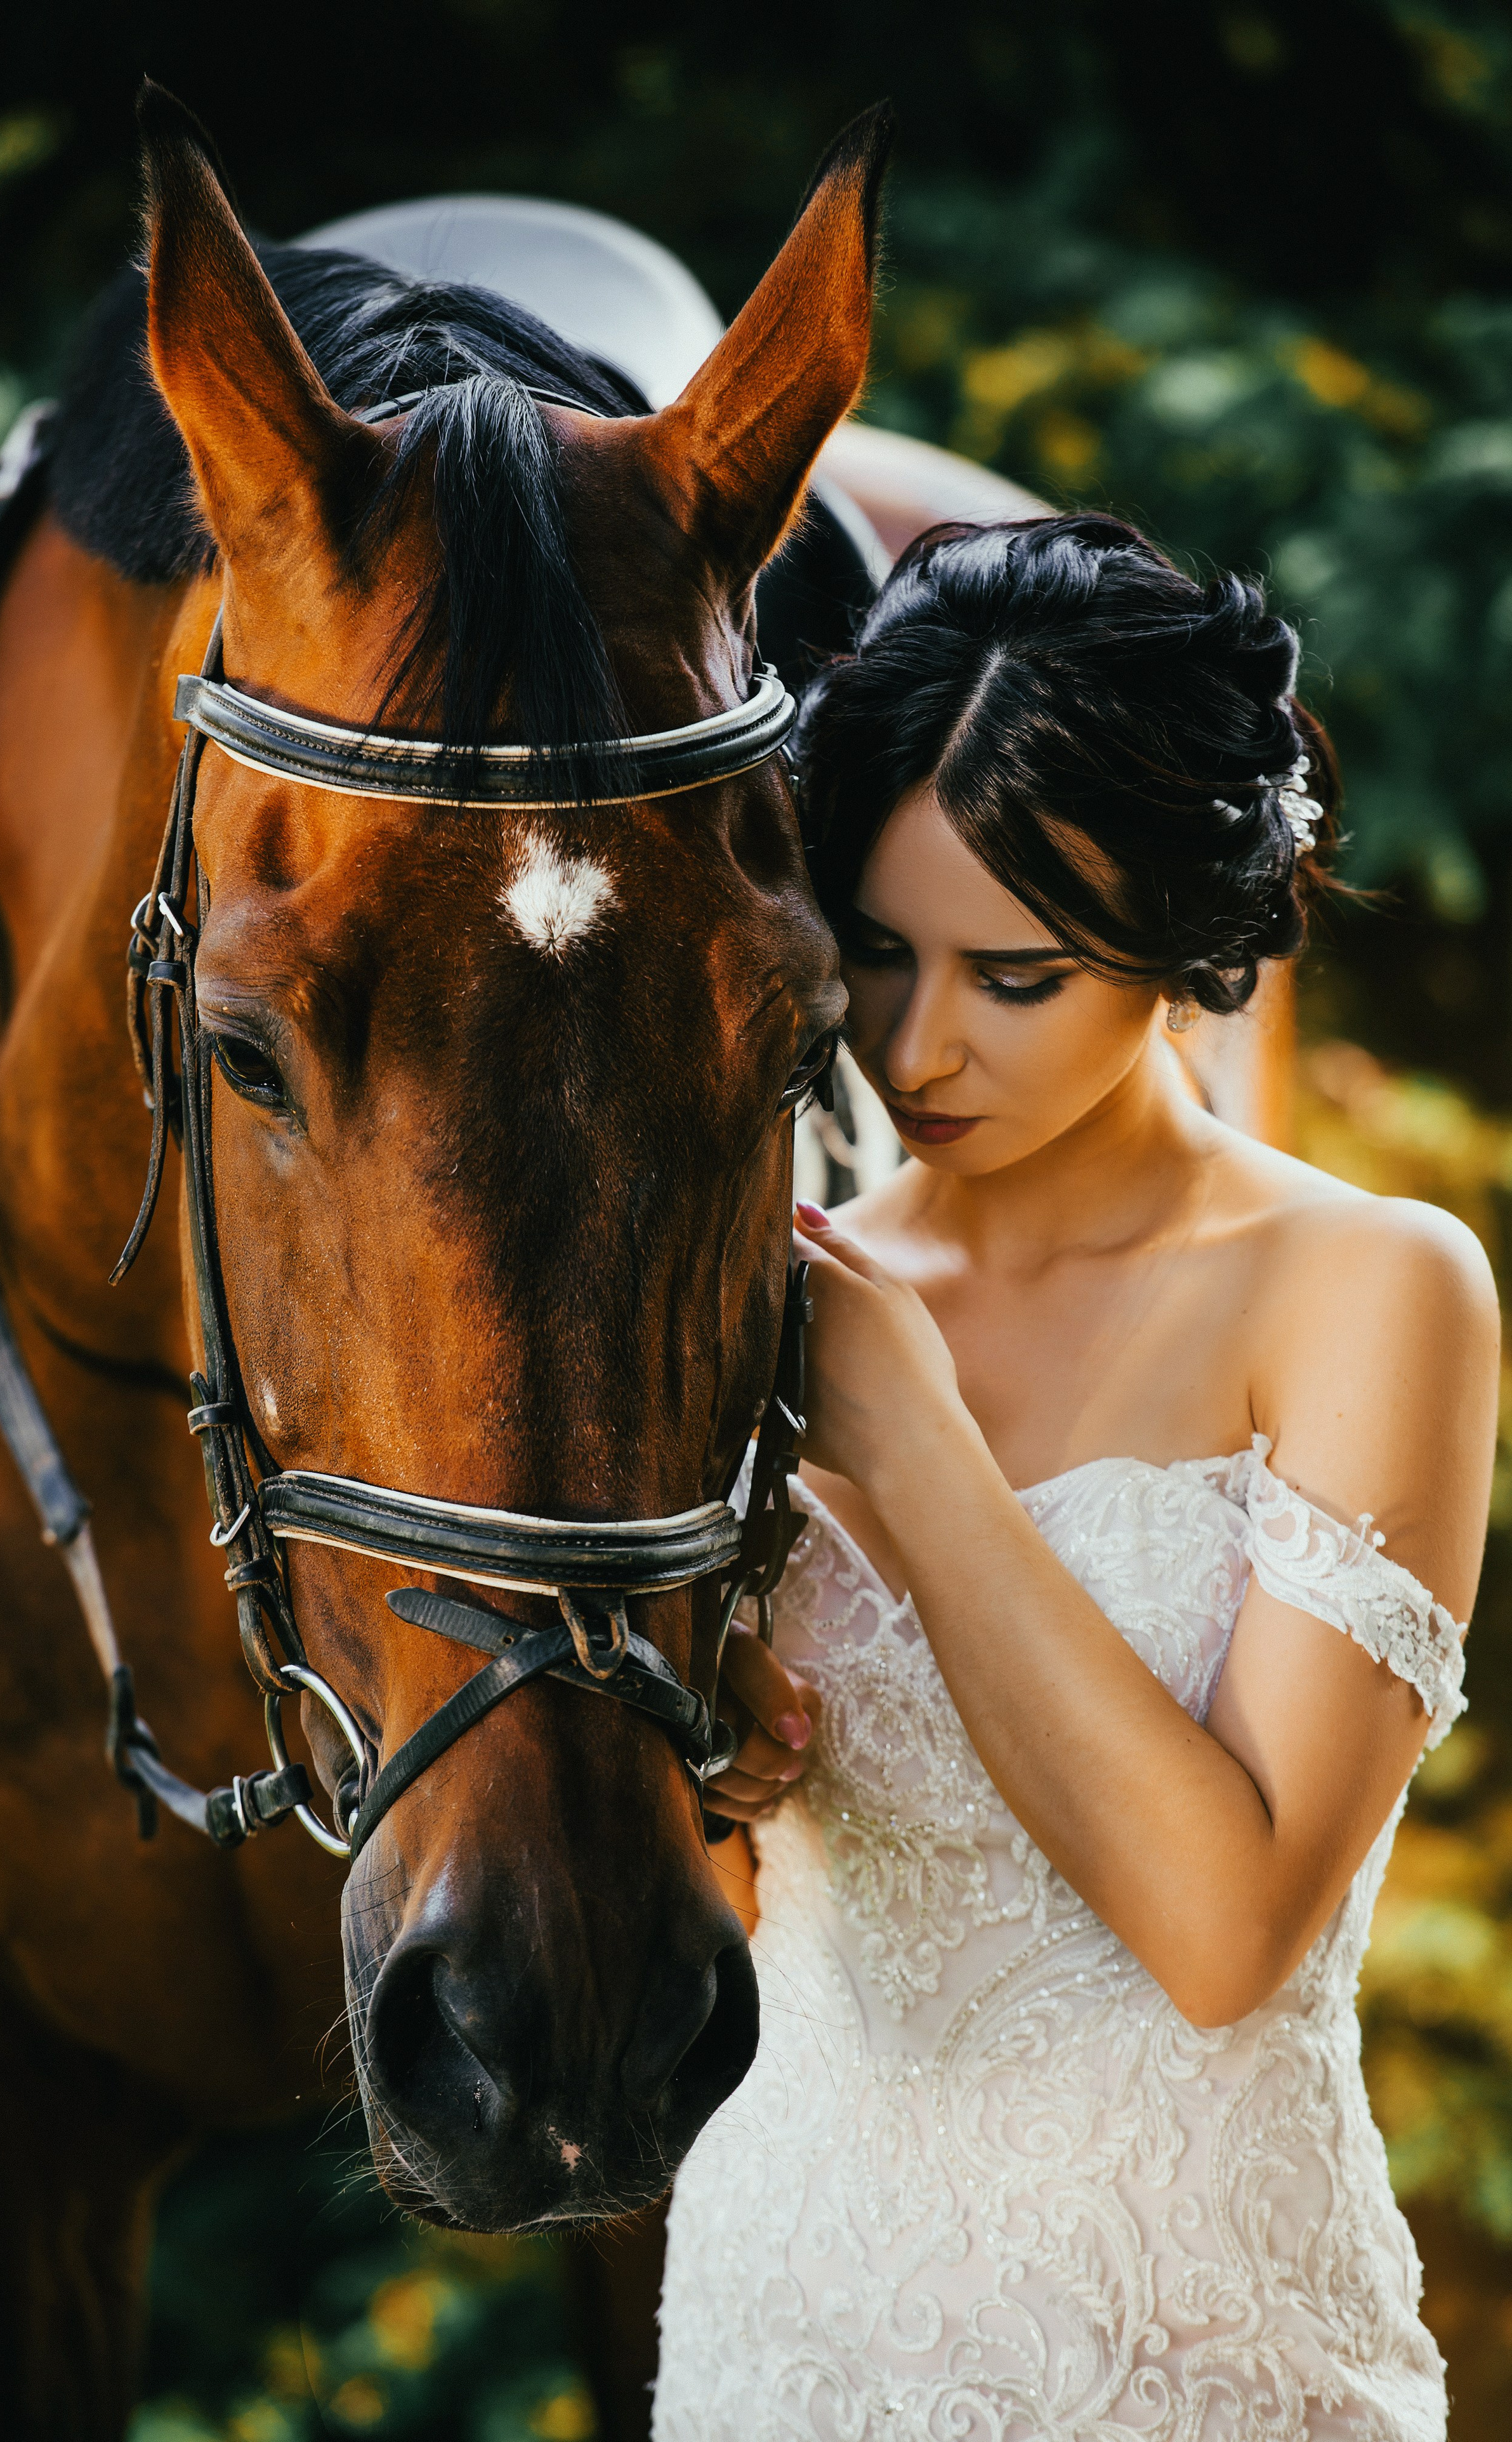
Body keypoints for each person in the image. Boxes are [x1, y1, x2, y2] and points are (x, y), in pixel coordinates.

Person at [653, 515, 1496, 2441]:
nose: (918, 1047)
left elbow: (1223, 1930)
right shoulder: (763, 1286)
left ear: (1186, 942)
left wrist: (914, 1447)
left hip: (1211, 2360)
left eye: (1017, 976)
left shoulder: (1368, 1287)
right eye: (873, 953)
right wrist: (704, 1741)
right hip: (794, 2320)